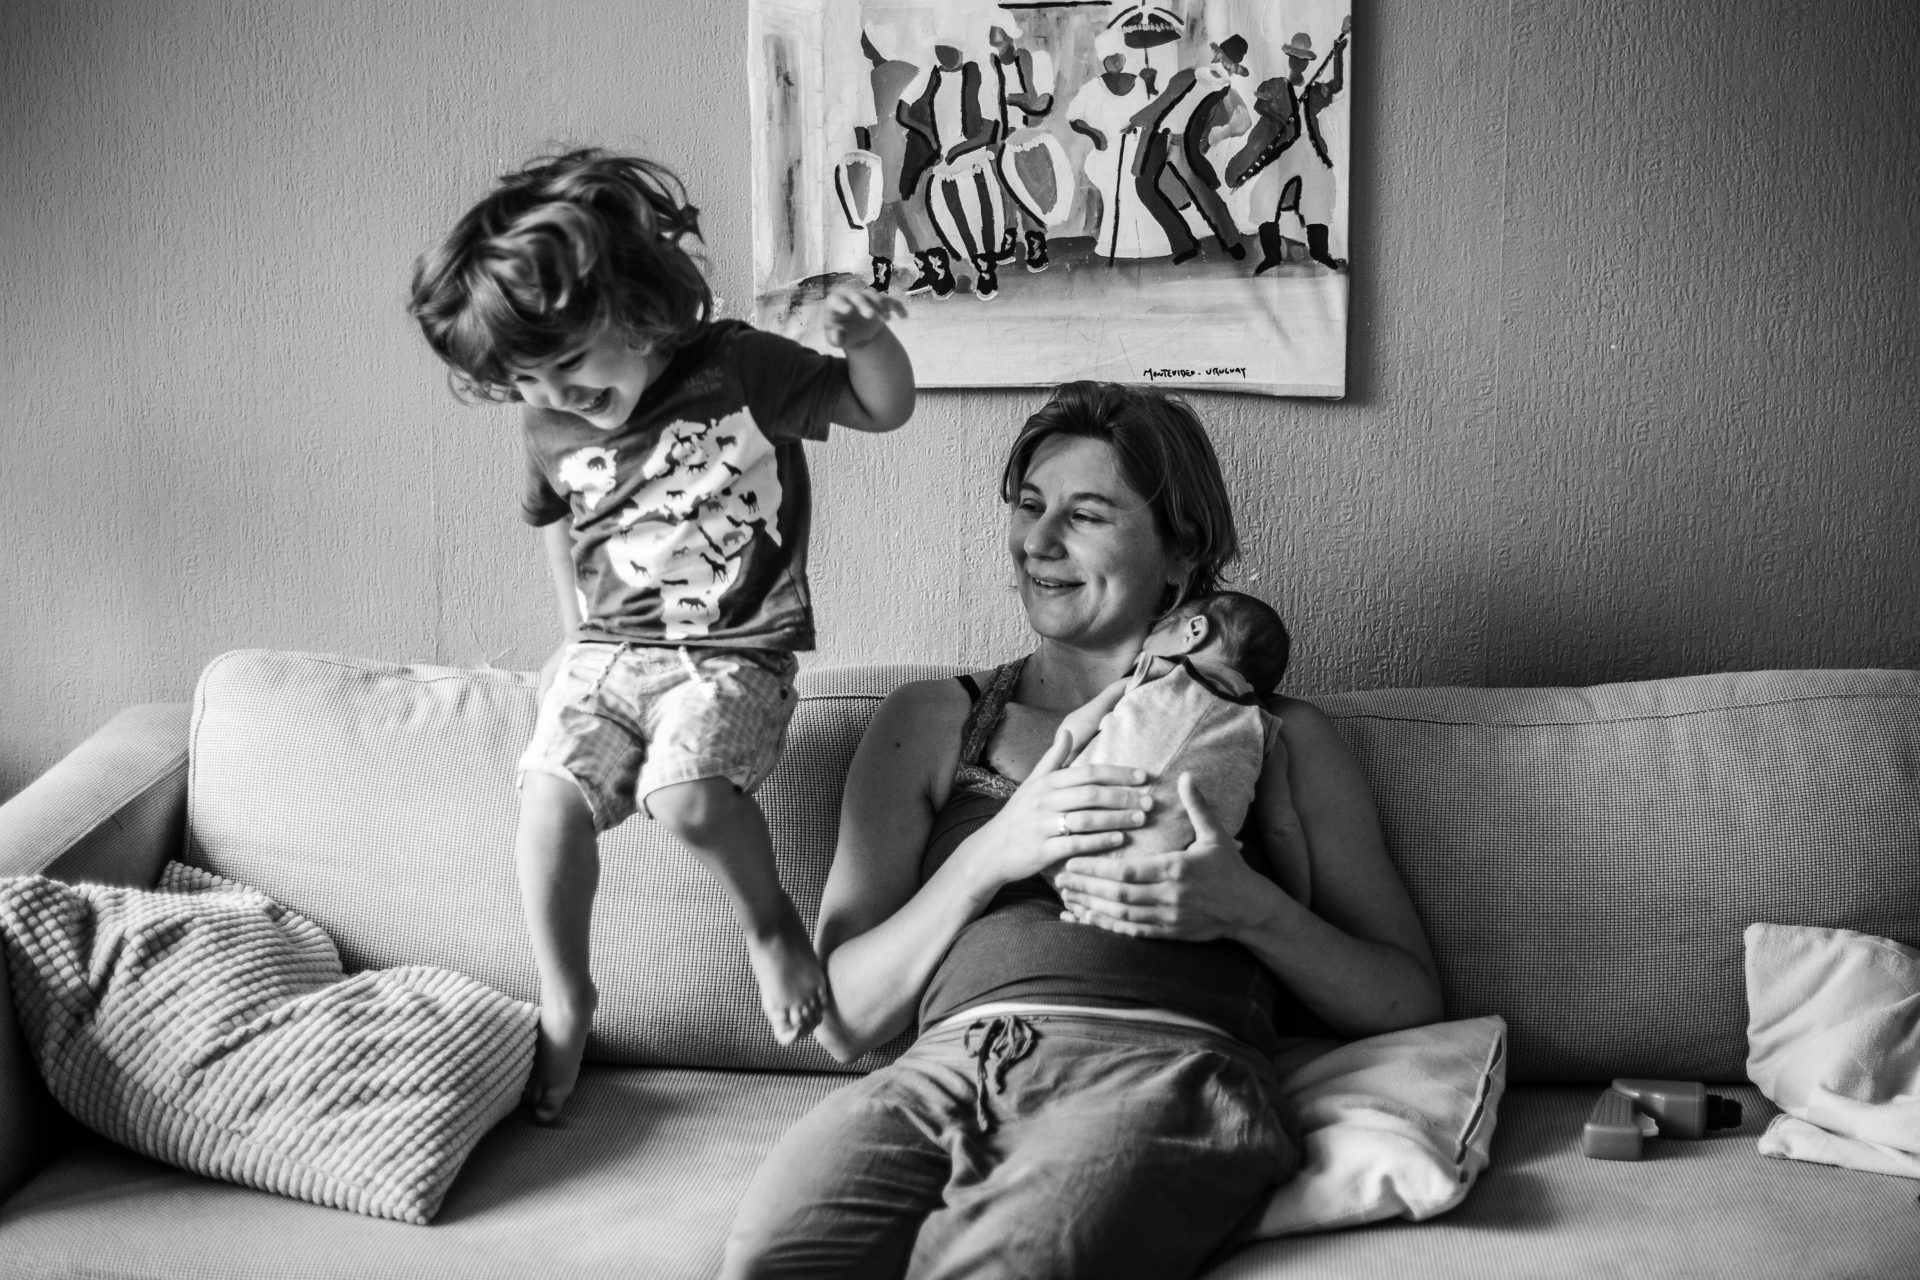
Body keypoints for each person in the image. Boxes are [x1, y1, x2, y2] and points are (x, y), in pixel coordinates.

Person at [722, 381, 1441, 1278]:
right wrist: (994, 850)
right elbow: (842, 1021)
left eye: (1087, 514)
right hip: (939, 1074)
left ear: (1180, 550)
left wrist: (1252, 912)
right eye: (1029, 507)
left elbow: (1408, 999)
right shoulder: (932, 722)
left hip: (1159, 1074)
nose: (1038, 541)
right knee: (774, 1265)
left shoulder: (1277, 738)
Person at [407, 148, 915, 1121]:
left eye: (566, 363)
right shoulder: (545, 424)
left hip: (731, 652)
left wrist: (868, 347)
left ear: (634, 305)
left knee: (683, 797)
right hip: (610, 651)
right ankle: (566, 996)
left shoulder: (740, 366)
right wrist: (574, 641)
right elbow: (560, 523)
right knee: (548, 800)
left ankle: (772, 925)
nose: (553, 393)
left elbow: (881, 408)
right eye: (525, 379)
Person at [1054, 589, 1296, 887]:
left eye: (1154, 632)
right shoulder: (1265, 732)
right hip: (1173, 886)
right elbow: (1282, 830)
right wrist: (1298, 899)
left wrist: (1050, 771)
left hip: (1073, 855)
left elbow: (1074, 729)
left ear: (1194, 630)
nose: (1143, 646)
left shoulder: (1152, 674)